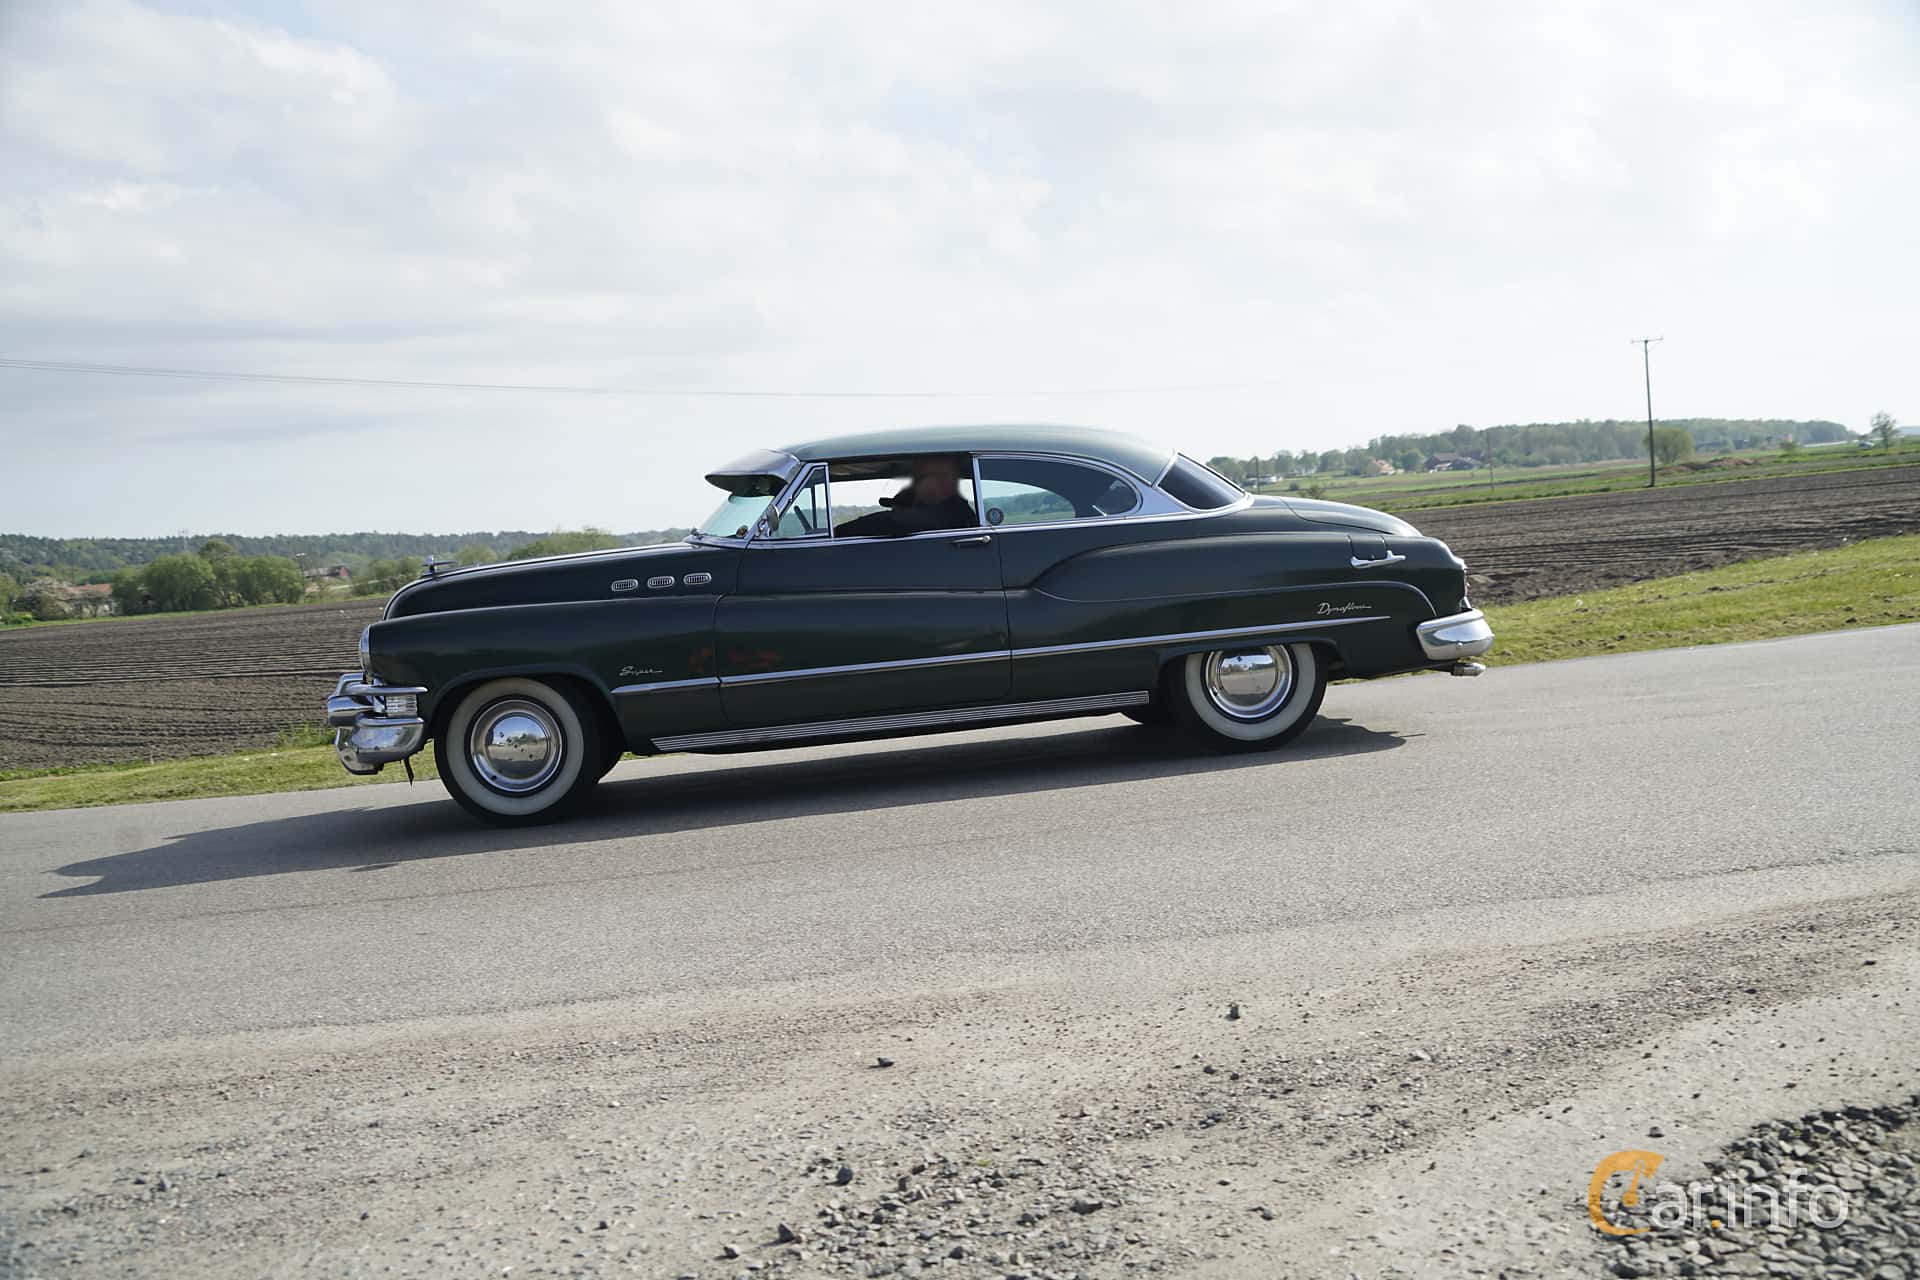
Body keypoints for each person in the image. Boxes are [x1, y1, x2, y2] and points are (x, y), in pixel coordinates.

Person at [834, 456, 977, 538]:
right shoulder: (952, 512)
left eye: (895, 509)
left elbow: (890, 521)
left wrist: (838, 531)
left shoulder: (935, 517)